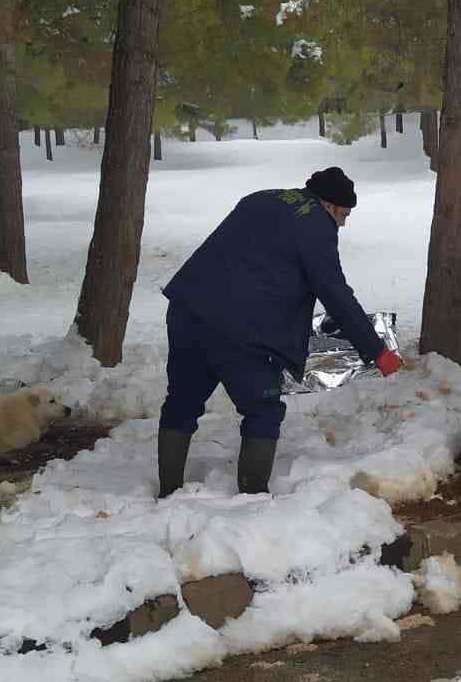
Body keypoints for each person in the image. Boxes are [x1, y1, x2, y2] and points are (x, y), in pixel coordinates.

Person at [157, 167, 404, 498]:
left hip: (188, 308)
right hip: (239, 327)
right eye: (343, 215)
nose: (343, 223)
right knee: (263, 410)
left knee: (182, 402)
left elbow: (253, 255)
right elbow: (335, 294)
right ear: (328, 205)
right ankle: (253, 498)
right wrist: (376, 351)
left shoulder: (261, 198)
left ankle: (168, 492)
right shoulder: (316, 227)